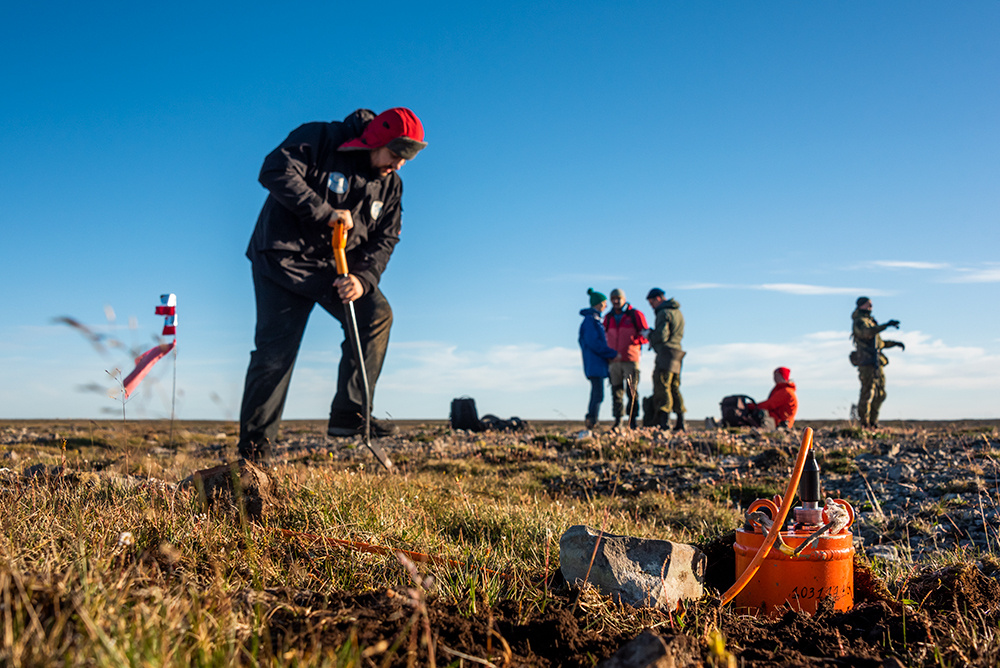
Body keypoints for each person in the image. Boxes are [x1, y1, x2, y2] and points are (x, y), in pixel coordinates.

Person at [237, 107, 427, 461]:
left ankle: (348, 414)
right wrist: (324, 212)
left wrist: (363, 279)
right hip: (283, 261)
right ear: (377, 140)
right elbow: (274, 170)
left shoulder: (391, 184)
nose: (398, 165)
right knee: (275, 357)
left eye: (406, 159)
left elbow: (386, 238)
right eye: (396, 155)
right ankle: (254, 453)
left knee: (376, 314)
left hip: (337, 271)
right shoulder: (321, 138)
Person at [851, 296, 904, 428]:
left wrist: (894, 343)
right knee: (867, 392)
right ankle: (864, 423)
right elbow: (866, 334)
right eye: (868, 304)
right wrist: (885, 326)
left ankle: (873, 422)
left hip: (876, 362)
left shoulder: (871, 321)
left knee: (880, 393)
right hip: (866, 361)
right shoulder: (860, 321)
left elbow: (879, 343)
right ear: (861, 305)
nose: (871, 307)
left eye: (871, 304)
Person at [603, 289, 648, 428]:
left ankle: (632, 420)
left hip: (630, 359)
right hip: (614, 361)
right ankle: (618, 420)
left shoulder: (634, 314)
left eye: (618, 298)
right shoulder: (608, 318)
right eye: (613, 299)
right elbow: (604, 337)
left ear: (624, 299)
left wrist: (633, 342)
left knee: (632, 391)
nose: (615, 301)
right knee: (616, 392)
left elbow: (645, 334)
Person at [646, 288, 686, 431]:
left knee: (662, 385)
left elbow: (662, 335)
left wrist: (649, 335)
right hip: (677, 352)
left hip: (665, 354)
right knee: (675, 387)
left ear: (658, 299)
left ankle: (664, 421)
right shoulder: (677, 312)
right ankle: (680, 421)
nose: (651, 307)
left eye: (651, 303)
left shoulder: (663, 313)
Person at [579, 288, 619, 430]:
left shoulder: (595, 320)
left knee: (597, 394)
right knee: (598, 394)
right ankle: (592, 421)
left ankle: (592, 420)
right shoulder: (591, 321)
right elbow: (594, 343)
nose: (606, 305)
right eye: (604, 303)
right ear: (599, 303)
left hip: (596, 364)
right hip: (595, 364)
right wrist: (611, 353)